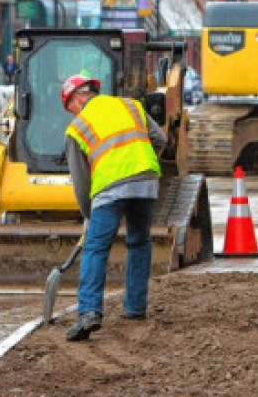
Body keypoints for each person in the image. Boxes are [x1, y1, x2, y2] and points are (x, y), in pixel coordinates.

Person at [61, 72, 167, 342]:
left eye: (69, 107)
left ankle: (89, 312)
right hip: (146, 181)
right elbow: (160, 139)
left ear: (76, 100)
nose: (71, 113)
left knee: (96, 248)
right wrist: (140, 165)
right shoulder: (131, 105)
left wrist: (87, 211)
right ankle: (135, 307)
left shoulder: (77, 128)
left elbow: (81, 180)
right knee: (139, 241)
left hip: (109, 188)